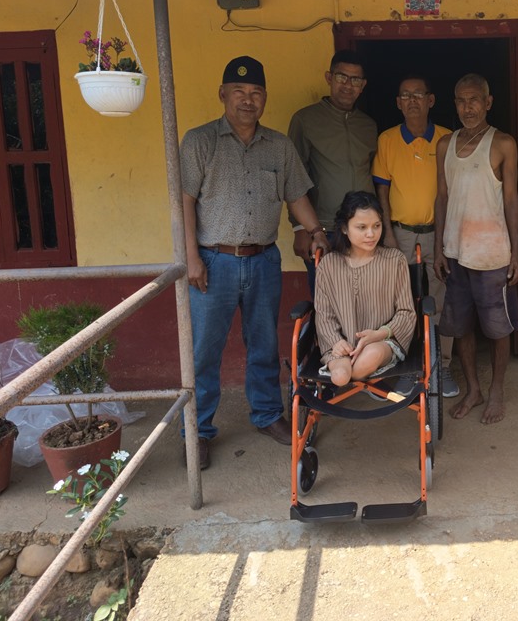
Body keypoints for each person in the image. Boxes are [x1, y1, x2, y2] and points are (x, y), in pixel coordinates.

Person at [180, 55, 328, 470]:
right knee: (204, 352)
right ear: (223, 95)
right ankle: (198, 432)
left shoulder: (279, 145)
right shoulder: (199, 141)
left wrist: (317, 233)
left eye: (256, 93)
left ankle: (266, 416)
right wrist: (191, 258)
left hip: (263, 261)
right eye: (240, 92)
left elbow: (296, 195)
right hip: (213, 260)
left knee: (263, 344)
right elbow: (185, 203)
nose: (248, 100)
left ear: (264, 99)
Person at [434, 73, 518, 425]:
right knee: (461, 327)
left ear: (488, 102)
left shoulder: (502, 143)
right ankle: (474, 388)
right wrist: (441, 248)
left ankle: (496, 389)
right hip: (456, 252)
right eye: (460, 100)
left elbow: (512, 199)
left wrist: (516, 253)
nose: (467, 107)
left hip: (492, 253)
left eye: (474, 100)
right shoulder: (445, 144)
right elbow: (441, 197)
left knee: (497, 328)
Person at [371, 73, 458, 398]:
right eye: (405, 96)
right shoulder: (388, 139)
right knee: (402, 305)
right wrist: (388, 233)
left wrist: (448, 237)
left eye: (418, 95)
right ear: (397, 103)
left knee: (441, 300)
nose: (411, 101)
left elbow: (454, 192)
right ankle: (408, 367)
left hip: (440, 234)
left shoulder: (448, 138)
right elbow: (382, 187)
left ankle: (442, 367)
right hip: (401, 235)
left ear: (430, 100)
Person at [287, 50, 377, 293]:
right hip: (325, 230)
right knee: (327, 302)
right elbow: (293, 177)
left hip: (364, 231)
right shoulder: (305, 120)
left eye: (355, 80)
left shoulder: (368, 125)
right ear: (329, 77)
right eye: (341, 77)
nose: (348, 85)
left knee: (366, 299)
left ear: (363, 86)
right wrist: (300, 228)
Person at [314, 191, 416, 387]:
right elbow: (324, 314)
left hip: (383, 341)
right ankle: (346, 369)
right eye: (362, 227)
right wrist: (337, 342)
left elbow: (407, 312)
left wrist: (379, 334)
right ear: (344, 228)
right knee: (341, 376)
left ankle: (354, 370)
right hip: (340, 345)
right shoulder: (328, 265)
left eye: (376, 226)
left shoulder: (395, 261)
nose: (371, 234)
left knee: (369, 357)